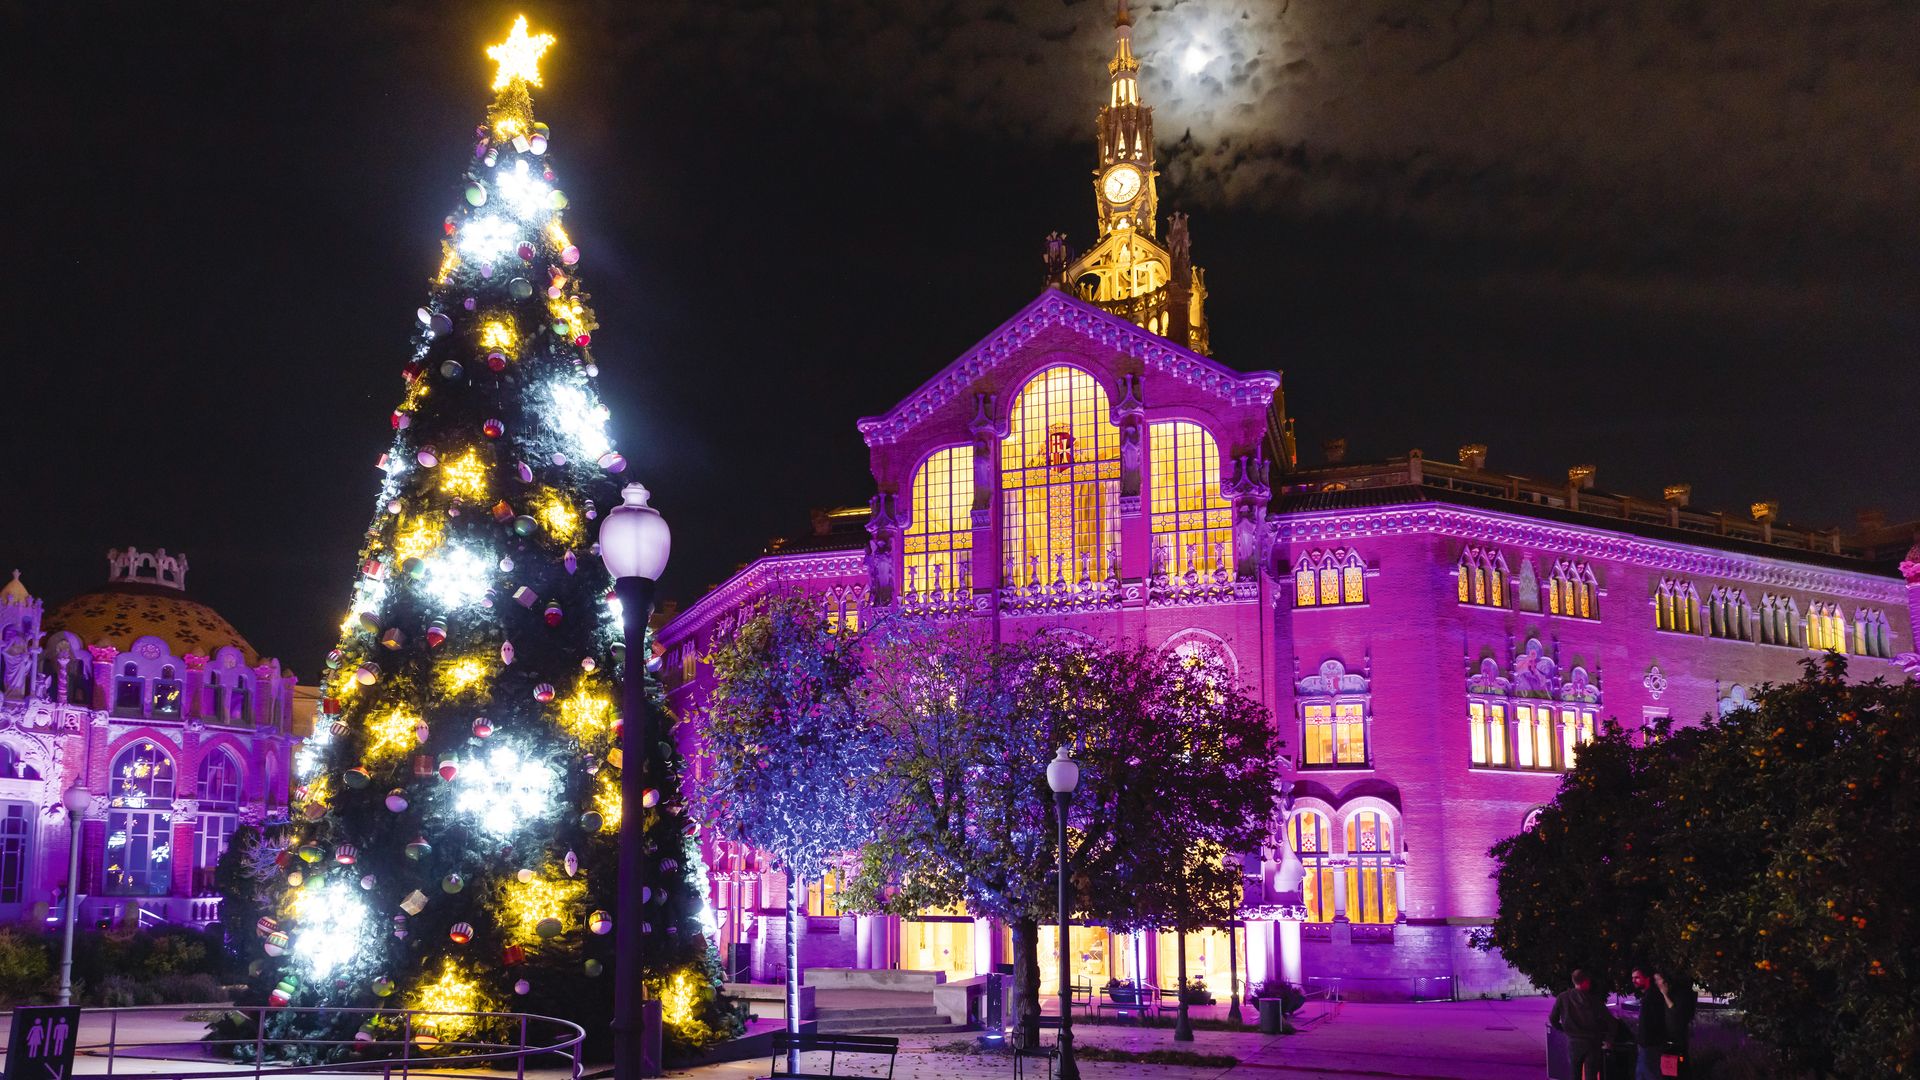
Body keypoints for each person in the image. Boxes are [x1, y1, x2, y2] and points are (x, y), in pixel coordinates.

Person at [1548, 969, 1615, 1080]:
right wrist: (1609, 1039)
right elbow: (1611, 1021)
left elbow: (1553, 1019)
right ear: (1585, 982)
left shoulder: (1563, 997)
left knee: (1575, 1074)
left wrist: (1565, 1030)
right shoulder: (1594, 1000)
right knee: (1591, 1075)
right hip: (1592, 1043)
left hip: (1574, 1043)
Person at [1654, 971, 1696, 1075]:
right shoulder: (1660, 994)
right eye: (1656, 980)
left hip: (1678, 1037)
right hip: (1667, 1037)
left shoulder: (1679, 994)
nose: (1657, 983)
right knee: (1668, 1068)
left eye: (1659, 979)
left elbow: (1675, 1011)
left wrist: (1665, 994)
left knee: (1680, 1066)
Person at [1630, 967, 1668, 1080]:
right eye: (1632, 978)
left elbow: (1656, 1021)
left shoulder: (1652, 997)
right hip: (1646, 1045)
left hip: (1650, 1045)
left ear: (1646, 979)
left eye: (1637, 977)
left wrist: (1645, 1041)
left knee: (1648, 1074)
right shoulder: (1648, 996)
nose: (1633, 980)